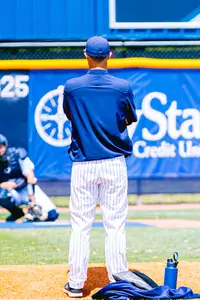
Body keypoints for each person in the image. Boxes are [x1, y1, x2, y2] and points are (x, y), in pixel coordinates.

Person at [61, 36, 138, 298]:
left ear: (85, 55)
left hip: (83, 163)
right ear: (110, 55)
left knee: (80, 225)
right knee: (115, 224)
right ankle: (119, 279)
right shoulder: (122, 86)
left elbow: (70, 116)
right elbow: (128, 119)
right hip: (114, 163)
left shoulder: (72, 87)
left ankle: (75, 283)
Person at [0, 134, 59, 222]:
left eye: (1, 146)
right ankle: (17, 213)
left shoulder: (17, 154)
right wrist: (2, 185)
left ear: (5, 145)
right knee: (1, 194)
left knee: (52, 215)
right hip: (11, 193)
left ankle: (33, 216)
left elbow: (30, 176)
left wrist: (32, 199)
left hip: (27, 189)